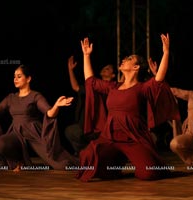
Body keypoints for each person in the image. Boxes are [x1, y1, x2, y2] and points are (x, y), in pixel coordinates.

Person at [76, 33, 180, 182]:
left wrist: (166, 53)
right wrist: (86, 56)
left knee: (148, 173)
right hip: (110, 137)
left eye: (129, 59)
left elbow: (158, 80)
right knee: (88, 157)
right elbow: (91, 81)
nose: (124, 60)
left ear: (136, 67)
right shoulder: (113, 87)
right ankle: (115, 165)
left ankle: (135, 161)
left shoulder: (142, 88)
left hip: (134, 138)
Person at [0, 64, 76, 171]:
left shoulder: (35, 96)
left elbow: (49, 113)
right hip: (16, 132)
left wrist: (56, 106)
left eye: (19, 76)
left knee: (61, 165)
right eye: (14, 76)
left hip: (34, 133)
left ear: (28, 79)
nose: (15, 79)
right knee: (0, 144)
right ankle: (19, 162)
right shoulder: (10, 98)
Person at [64, 55, 115, 156]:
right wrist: (70, 70)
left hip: (105, 127)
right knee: (71, 131)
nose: (104, 69)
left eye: (108, 69)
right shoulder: (93, 86)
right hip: (88, 125)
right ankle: (85, 154)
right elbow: (76, 87)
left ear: (113, 75)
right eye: (104, 67)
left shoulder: (114, 87)